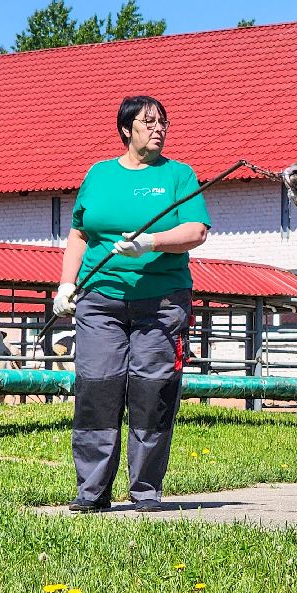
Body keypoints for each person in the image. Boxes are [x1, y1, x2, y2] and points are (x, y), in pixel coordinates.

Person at [54, 95, 210, 513]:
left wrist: (150, 243)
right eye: (149, 122)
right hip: (99, 300)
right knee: (97, 389)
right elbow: (80, 234)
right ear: (127, 129)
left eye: (163, 122)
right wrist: (66, 285)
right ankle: (92, 492)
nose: (159, 129)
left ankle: (145, 491)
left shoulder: (178, 175)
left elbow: (196, 231)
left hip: (161, 304)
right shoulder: (99, 175)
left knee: (152, 392)